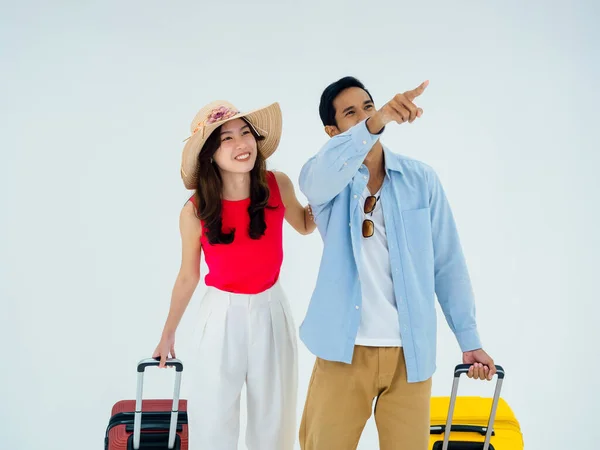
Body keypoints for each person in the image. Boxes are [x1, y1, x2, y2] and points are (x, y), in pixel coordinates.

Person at [297, 76, 496, 450]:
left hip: (411, 355)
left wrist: (469, 340)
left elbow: (447, 263)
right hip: (343, 352)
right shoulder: (324, 179)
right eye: (350, 113)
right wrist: (374, 123)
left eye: (368, 107)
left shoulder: (421, 179)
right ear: (332, 130)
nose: (365, 117)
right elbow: (318, 180)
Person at [152, 100, 316, 450]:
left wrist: (328, 196)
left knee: (275, 419)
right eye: (227, 138)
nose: (241, 144)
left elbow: (304, 223)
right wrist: (168, 334)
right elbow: (187, 276)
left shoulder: (276, 184)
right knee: (213, 419)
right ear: (210, 153)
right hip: (220, 315)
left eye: (246, 133)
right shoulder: (195, 211)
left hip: (272, 308)